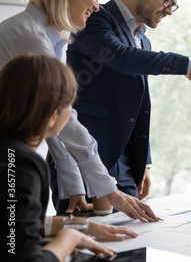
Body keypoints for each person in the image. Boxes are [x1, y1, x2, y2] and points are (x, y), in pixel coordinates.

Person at [0, 0, 157, 221]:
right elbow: (65, 118)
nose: (97, 5)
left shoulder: (44, 37)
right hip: (9, 161)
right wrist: (110, 190)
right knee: (16, 242)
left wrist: (73, 186)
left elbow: (51, 120)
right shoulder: (30, 37)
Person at [66, 0, 191, 201]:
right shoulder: (95, 18)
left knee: (131, 237)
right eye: (167, 0)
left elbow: (138, 107)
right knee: (83, 238)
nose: (169, 10)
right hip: (84, 164)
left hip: (127, 170)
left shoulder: (144, 40)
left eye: (174, 5)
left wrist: (144, 163)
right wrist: (187, 64)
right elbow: (121, 57)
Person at [0, 55, 138, 261]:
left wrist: (82, 226)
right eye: (69, 106)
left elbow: (10, 225)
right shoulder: (21, 164)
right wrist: (70, 238)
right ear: (52, 114)